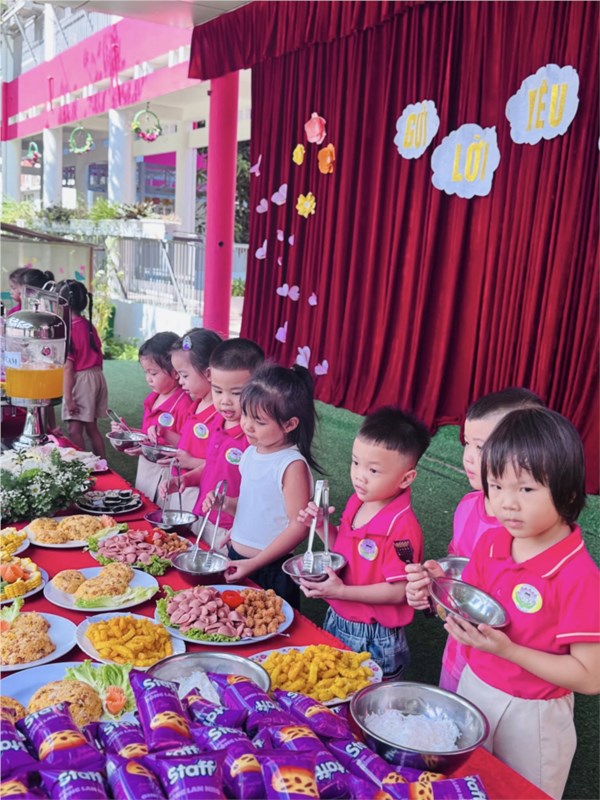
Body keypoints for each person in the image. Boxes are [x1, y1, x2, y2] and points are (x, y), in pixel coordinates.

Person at [406, 408, 599, 799]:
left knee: (521, 792)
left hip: (533, 713)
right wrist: (436, 589)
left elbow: (590, 677)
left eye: (526, 489)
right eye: (496, 485)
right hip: (474, 684)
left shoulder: (578, 576)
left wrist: (509, 651)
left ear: (568, 491)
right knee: (468, 783)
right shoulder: (492, 543)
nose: (507, 502)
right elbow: (468, 607)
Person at [298, 407, 431, 679]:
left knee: (366, 697)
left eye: (373, 470)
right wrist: (320, 524)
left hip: (374, 635)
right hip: (338, 616)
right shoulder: (358, 501)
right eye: (355, 462)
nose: (359, 475)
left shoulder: (402, 527)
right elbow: (342, 550)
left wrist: (342, 591)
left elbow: (399, 591)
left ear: (406, 478)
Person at [429, 387, 544, 690]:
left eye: (481, 447)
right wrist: (430, 586)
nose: (469, 457)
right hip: (456, 660)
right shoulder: (468, 507)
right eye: (467, 443)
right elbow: (456, 578)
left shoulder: (532, 529)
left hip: (508, 684)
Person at [217, 363, 319, 608]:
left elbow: (299, 526)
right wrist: (226, 504)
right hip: (237, 558)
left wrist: (255, 563)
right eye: (245, 414)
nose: (247, 425)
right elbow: (256, 506)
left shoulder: (291, 465)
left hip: (271, 569)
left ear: (289, 425)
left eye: (259, 421)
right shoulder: (251, 453)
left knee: (269, 624)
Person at [184, 338, 264, 546]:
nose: (225, 401)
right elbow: (213, 466)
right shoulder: (217, 421)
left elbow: (262, 495)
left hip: (232, 528)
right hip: (203, 516)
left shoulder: (256, 438)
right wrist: (187, 478)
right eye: (217, 391)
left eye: (236, 393)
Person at [117, 332, 194, 502]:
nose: (148, 379)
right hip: (147, 467)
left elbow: (186, 445)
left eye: (153, 373)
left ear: (175, 372)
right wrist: (129, 432)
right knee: (143, 502)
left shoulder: (183, 404)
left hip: (166, 472)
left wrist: (162, 435)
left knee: (158, 508)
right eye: (146, 372)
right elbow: (148, 435)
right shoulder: (152, 398)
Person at [157, 328, 223, 510]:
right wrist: (163, 434)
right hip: (182, 485)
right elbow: (186, 444)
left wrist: (190, 462)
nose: (180, 381)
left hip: (202, 493)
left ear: (208, 373)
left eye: (184, 375)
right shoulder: (196, 405)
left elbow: (223, 466)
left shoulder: (222, 415)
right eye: (178, 375)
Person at [51, 279, 108, 458]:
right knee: (91, 427)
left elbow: (68, 368)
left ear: (61, 304)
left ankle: (81, 466)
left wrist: (68, 398)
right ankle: (103, 463)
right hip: (96, 377)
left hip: (81, 380)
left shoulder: (69, 330)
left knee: (74, 429)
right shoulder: (87, 325)